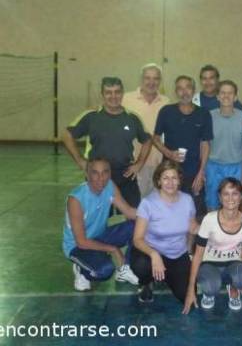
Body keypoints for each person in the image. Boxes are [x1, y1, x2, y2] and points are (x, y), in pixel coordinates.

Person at [63, 77, 152, 211]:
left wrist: (139, 164)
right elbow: (66, 134)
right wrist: (80, 161)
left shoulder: (132, 118)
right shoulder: (91, 117)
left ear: (122, 93)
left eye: (117, 92)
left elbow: (147, 140)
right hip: (98, 176)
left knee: (134, 216)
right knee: (97, 219)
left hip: (126, 175)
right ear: (102, 95)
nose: (113, 96)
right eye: (108, 92)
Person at [62, 157, 138, 291]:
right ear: (87, 174)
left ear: (110, 173)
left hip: (100, 236)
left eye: (105, 172)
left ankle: (124, 270)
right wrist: (113, 249)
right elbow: (81, 242)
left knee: (136, 226)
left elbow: (130, 212)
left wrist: (157, 213)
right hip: (77, 247)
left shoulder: (110, 186)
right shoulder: (76, 199)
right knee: (104, 271)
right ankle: (81, 270)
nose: (100, 178)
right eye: (95, 172)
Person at [183, 178, 242, 314]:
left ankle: (233, 288)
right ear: (220, 198)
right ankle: (208, 293)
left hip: (234, 263)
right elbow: (198, 255)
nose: (230, 198)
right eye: (226, 194)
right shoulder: (209, 219)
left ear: (240, 197)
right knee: (210, 287)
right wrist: (191, 289)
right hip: (209, 262)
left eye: (234, 193)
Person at [131, 160, 198, 303]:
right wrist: (154, 255)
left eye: (174, 178)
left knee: (188, 298)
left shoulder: (187, 200)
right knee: (141, 265)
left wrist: (189, 251)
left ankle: (165, 276)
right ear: (159, 181)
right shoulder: (148, 203)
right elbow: (137, 239)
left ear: (179, 180)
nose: (170, 182)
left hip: (178, 254)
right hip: (151, 252)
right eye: (165, 178)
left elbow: (192, 228)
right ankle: (146, 281)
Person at [153, 75, 213, 221]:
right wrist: (169, 153)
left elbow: (205, 144)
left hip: (194, 174)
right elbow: (155, 138)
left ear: (193, 90)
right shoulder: (166, 111)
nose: (184, 92)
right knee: (168, 212)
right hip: (170, 173)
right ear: (175, 91)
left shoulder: (203, 114)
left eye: (188, 87)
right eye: (180, 88)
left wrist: (201, 173)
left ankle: (191, 244)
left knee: (194, 214)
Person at [122, 63, 169, 197]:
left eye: (156, 78)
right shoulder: (125, 100)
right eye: (147, 78)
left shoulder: (166, 102)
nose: (151, 82)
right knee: (135, 208)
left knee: (157, 206)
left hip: (158, 164)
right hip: (133, 164)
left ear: (160, 81)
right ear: (141, 79)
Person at [205, 80, 242, 211]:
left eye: (230, 93)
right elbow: (204, 143)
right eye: (222, 93)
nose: (226, 96)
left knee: (235, 204)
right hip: (213, 167)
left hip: (236, 167)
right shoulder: (209, 116)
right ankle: (211, 231)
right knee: (212, 204)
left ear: (235, 97)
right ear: (217, 96)